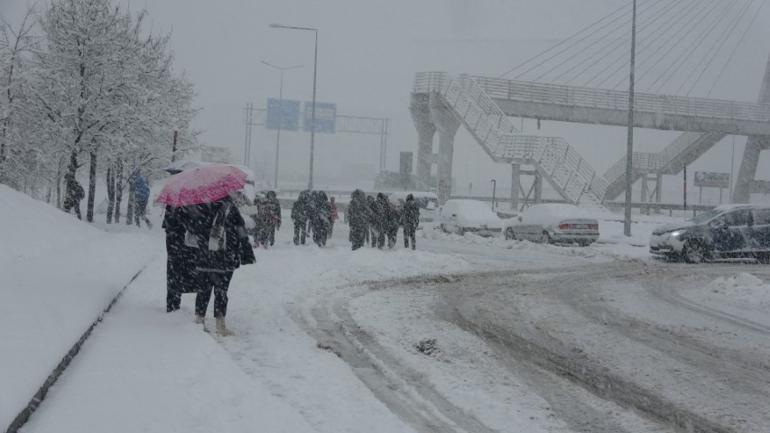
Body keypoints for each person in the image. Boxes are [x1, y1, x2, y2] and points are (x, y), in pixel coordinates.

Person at [184, 195, 255, 335]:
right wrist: (246, 252)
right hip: (225, 258)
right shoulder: (230, 207)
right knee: (221, 291)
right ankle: (220, 325)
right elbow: (241, 230)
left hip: (204, 257)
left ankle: (199, 320)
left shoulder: (200, 205)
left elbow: (191, 228)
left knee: (203, 290)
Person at [162, 205, 200, 312]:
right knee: (178, 272)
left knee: (174, 273)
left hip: (175, 243)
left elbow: (167, 224)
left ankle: (172, 302)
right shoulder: (191, 206)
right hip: (183, 244)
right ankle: (174, 301)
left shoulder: (173, 204)